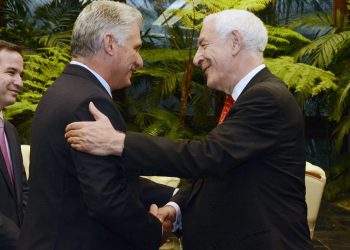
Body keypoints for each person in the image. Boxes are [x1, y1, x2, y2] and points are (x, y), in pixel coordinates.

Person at [65, 9, 313, 249]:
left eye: (204, 45)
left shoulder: (266, 98)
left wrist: (118, 142)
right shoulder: (248, 98)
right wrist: (176, 207)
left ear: (235, 43)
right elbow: (221, 171)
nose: (196, 58)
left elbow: (207, 157)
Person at [17, 2, 175, 250]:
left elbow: (102, 176)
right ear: (110, 43)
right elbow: (106, 198)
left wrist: (177, 198)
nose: (140, 61)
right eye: (136, 48)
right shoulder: (90, 100)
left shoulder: (64, 90)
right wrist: (154, 230)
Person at [0, 40, 29, 250]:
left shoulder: (9, 131)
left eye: (21, 75)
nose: (19, 82)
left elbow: (23, 191)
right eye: (11, 72)